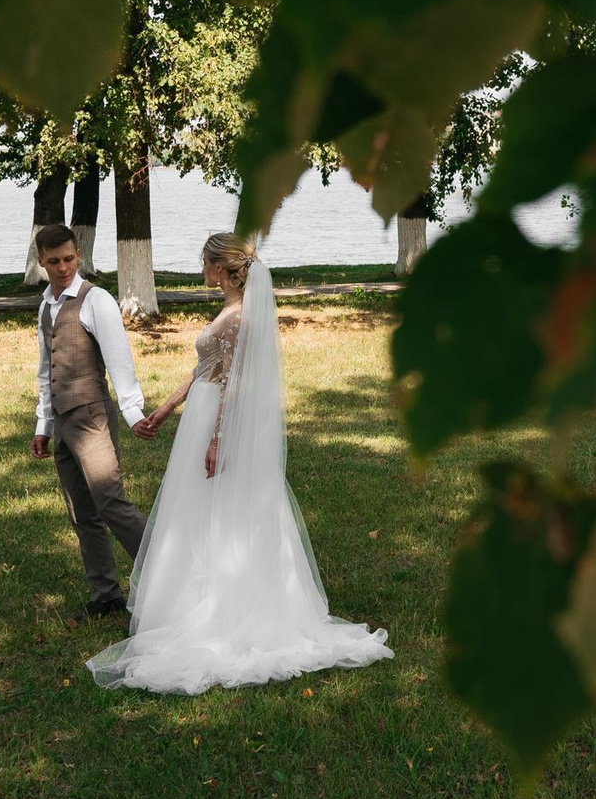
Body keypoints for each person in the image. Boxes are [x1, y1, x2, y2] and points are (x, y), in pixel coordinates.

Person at [86, 233, 393, 694]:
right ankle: (189, 598)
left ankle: (222, 606)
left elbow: (234, 383)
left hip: (217, 418)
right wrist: (168, 408)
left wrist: (218, 439)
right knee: (199, 511)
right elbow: (203, 369)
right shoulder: (230, 311)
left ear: (219, 265)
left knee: (219, 511)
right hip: (203, 412)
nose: (201, 270)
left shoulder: (238, 317)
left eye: (204, 262)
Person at [29, 222, 148, 620]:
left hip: (92, 415)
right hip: (63, 422)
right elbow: (46, 371)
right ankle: (107, 595)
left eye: (68, 259)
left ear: (78, 256)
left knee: (111, 502)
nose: (62, 267)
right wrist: (43, 426)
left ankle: (174, 570)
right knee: (82, 512)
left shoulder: (96, 300)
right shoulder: (46, 306)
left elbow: (119, 362)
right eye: (53, 262)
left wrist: (134, 414)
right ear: (42, 263)